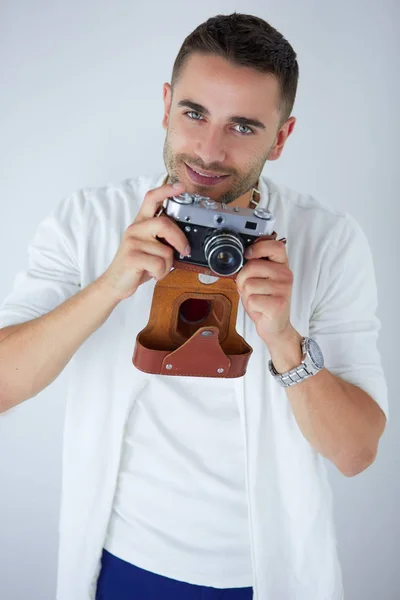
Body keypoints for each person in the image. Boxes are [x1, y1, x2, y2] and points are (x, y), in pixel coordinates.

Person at [0, 12, 388, 600]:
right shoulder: (90, 220)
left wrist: (283, 338)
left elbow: (357, 452)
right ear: (165, 104)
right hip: (118, 563)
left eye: (243, 126)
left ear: (280, 138)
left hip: (266, 575)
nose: (208, 151)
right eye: (195, 113)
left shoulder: (327, 242)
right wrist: (110, 285)